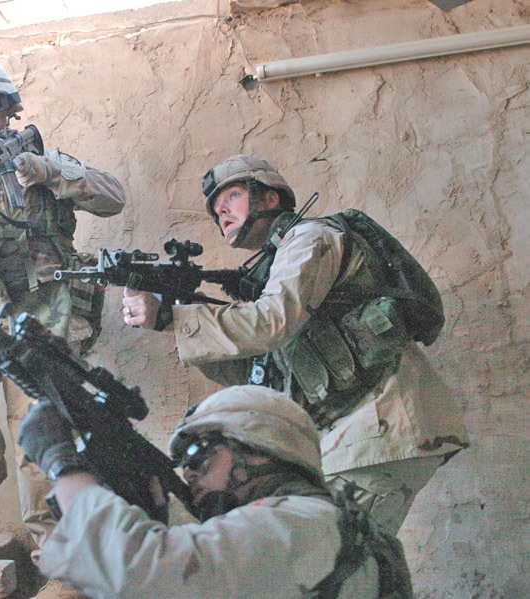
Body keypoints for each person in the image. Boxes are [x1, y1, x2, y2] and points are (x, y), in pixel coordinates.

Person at [121, 154, 467, 533]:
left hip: (382, 424)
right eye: (216, 211)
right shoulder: (275, 269)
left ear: (269, 199)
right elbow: (257, 370)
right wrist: (176, 316)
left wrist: (177, 317)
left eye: (232, 197)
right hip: (357, 434)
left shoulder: (309, 238)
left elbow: (272, 323)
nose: (222, 212)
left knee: (330, 570)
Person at [0, 57, 125, 597]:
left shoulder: (44, 159)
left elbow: (113, 196)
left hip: (49, 310)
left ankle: (61, 569)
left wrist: (50, 173)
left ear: (11, 110)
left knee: (39, 432)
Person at [16, 384, 414, 598]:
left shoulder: (303, 522)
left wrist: (60, 462)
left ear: (258, 452)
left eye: (198, 453)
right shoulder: (327, 523)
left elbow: (141, 571)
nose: (187, 472)